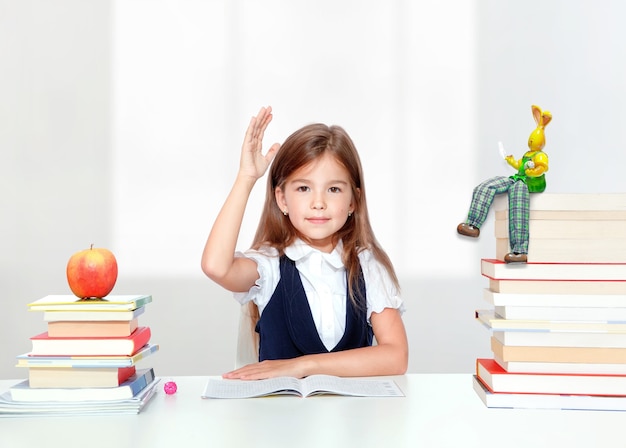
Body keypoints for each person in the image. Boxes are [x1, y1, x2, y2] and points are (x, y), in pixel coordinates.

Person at [201, 106, 408, 380]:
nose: (318, 203)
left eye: (333, 189)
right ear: (282, 199)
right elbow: (216, 267)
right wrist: (246, 178)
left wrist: (303, 366)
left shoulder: (367, 265)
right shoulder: (270, 265)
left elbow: (396, 356)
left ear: (352, 201)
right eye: (303, 188)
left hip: (355, 419)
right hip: (280, 418)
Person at [457, 104, 552, 264]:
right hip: (517, 178)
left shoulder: (540, 156)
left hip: (527, 184)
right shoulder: (528, 154)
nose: (531, 141)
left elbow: (542, 169)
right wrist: (510, 160)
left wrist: (533, 171)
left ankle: (519, 251)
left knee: (518, 204)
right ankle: (472, 224)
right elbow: (518, 165)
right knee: (490, 184)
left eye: (534, 139)